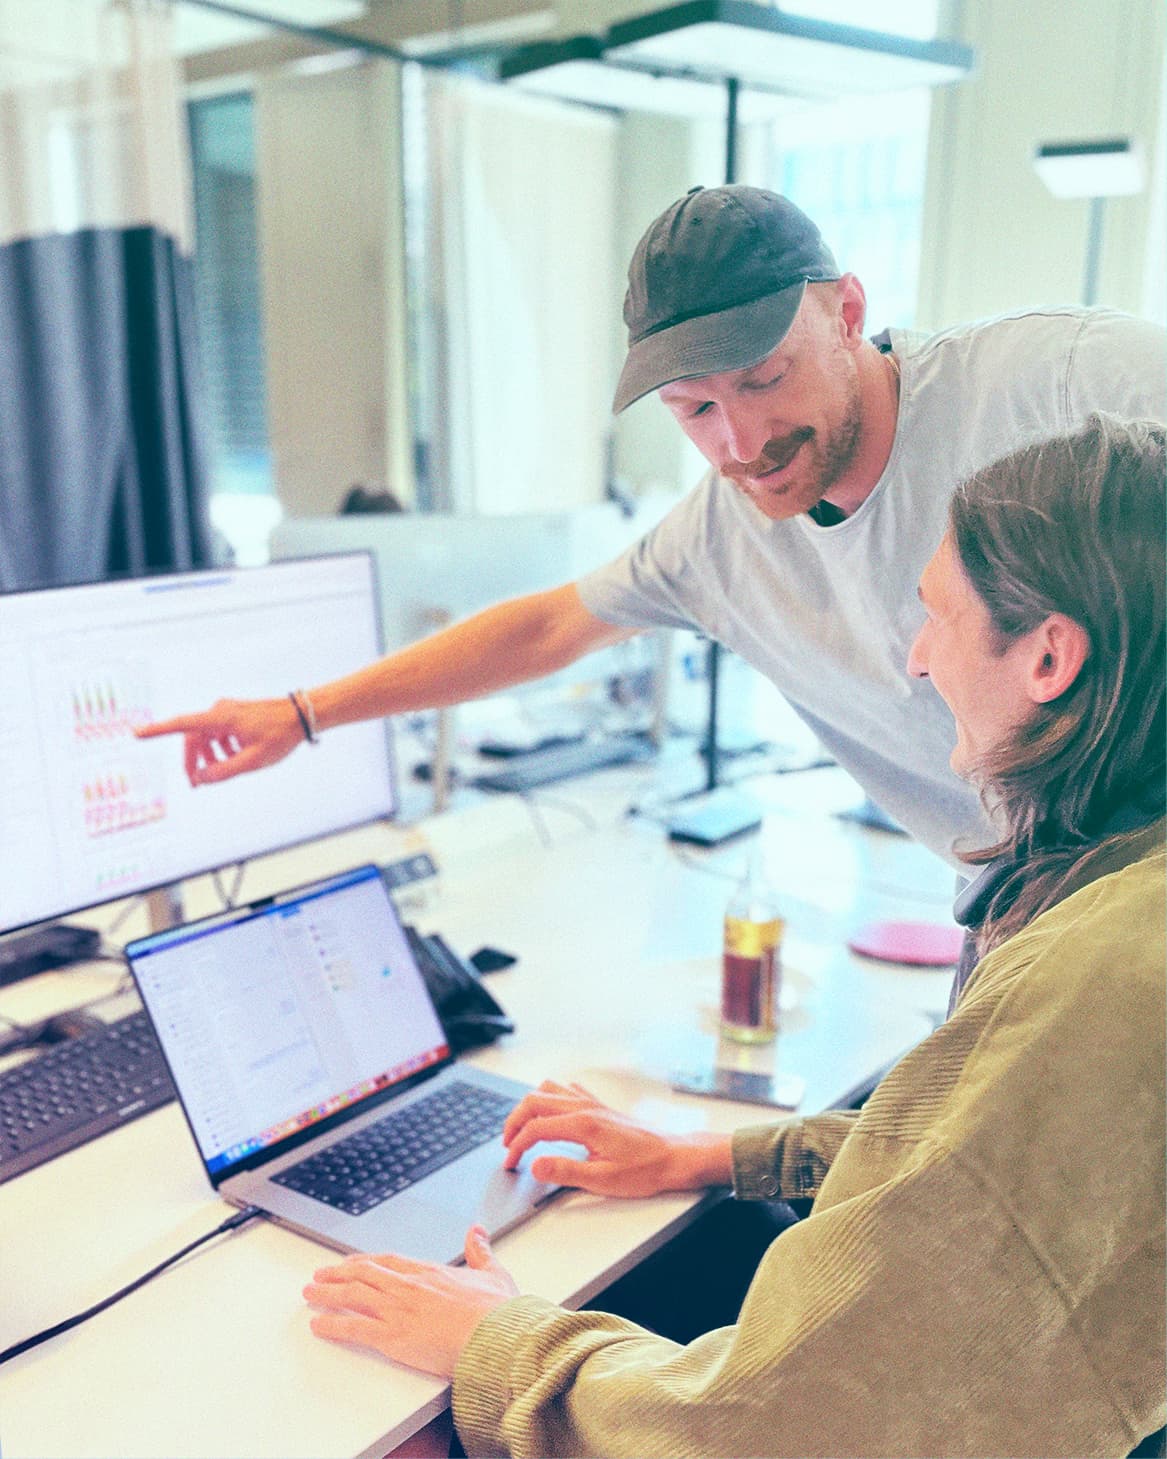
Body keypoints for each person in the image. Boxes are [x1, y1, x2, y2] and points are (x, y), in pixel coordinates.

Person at [299, 414, 1166, 1458]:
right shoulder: (1122, 894)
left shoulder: (1101, 975)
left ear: (1049, 657)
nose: (918, 658)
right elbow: (981, 1159)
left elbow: (761, 1427)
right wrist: (702, 1154)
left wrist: (493, 1338)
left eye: (937, 615)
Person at [136, 186, 1166, 871]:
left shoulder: (1065, 380)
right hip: (1014, 910)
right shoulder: (720, 541)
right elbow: (547, 627)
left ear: (847, 311)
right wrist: (306, 712)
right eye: (696, 410)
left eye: (766, 377)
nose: (743, 439)